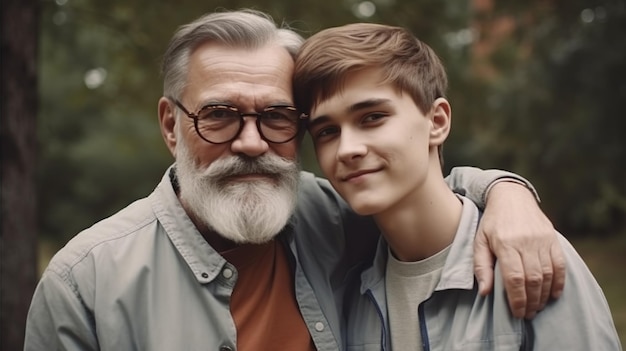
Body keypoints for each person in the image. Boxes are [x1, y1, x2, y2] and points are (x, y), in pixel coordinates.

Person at [25, 10, 565, 351]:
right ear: (171, 125)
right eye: (219, 115)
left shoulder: (334, 214)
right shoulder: (87, 284)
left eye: (277, 117)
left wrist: (504, 192)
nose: (252, 143)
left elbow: (423, 186)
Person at [293, 22, 622, 350]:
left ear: (437, 122)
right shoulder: (347, 287)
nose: (348, 148)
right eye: (327, 132)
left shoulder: (527, 256)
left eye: (372, 117)